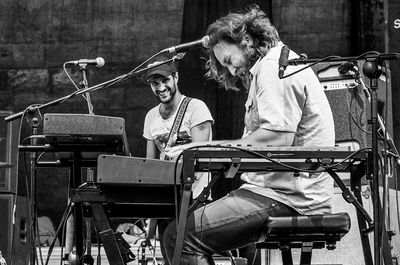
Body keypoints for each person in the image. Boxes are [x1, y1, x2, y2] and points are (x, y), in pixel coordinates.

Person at [162, 5, 335, 265]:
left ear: (245, 41)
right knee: (185, 231)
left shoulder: (273, 67)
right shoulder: (271, 65)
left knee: (178, 237)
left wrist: (209, 148)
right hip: (276, 193)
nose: (232, 72)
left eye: (230, 61)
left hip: (289, 199)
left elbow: (278, 139)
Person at [142, 54, 214, 263]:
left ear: (176, 77)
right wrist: (150, 224)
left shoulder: (195, 107)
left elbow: (201, 157)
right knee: (170, 257)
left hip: (194, 198)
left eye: (165, 81)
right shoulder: (151, 117)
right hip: (166, 201)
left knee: (193, 257)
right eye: (155, 83)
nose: (161, 87)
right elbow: (150, 166)